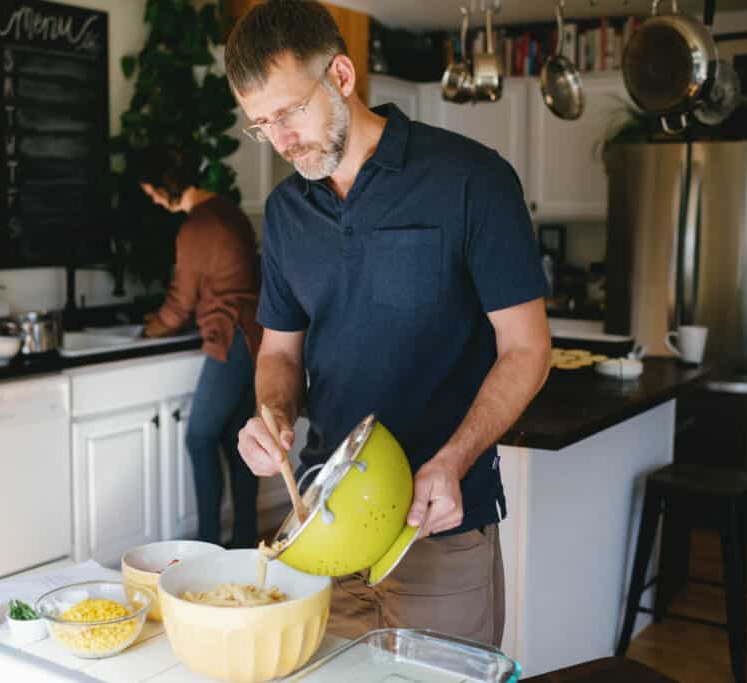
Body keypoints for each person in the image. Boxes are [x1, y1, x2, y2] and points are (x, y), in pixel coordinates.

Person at [226, 0, 552, 646]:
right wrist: (273, 415)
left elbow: (528, 349)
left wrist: (455, 460)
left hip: (440, 533)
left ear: (341, 77)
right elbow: (280, 354)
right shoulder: (287, 213)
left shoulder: (471, 180)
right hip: (326, 536)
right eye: (262, 126)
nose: (282, 142)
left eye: (289, 113)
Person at [137, 143, 262, 549]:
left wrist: (149, 330)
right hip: (254, 334)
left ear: (166, 185)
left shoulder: (197, 227)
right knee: (236, 439)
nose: (153, 200)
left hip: (230, 338)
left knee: (200, 437)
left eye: (153, 191)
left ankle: (207, 544)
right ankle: (244, 542)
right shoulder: (227, 211)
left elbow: (179, 305)